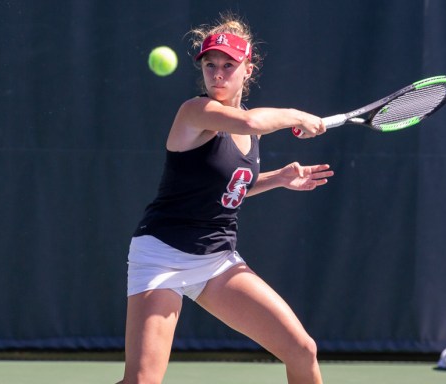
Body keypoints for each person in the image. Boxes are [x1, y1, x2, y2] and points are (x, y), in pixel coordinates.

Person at [120, 13, 333, 384]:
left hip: (218, 261)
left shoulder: (251, 128)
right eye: (210, 65)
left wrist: (278, 179)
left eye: (228, 65)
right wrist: (297, 115)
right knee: (141, 381)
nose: (217, 74)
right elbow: (250, 123)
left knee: (303, 350)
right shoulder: (195, 112)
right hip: (162, 255)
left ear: (248, 70)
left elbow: (228, 188)